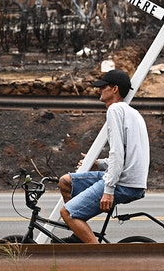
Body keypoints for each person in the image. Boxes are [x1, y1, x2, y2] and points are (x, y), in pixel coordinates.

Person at [57, 69, 150, 243]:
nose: (99, 90)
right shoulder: (133, 113)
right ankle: (79, 233)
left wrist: (108, 190)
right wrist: (98, 164)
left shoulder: (114, 110)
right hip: (130, 180)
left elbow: (117, 153)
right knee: (65, 182)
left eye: (103, 87)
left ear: (114, 89)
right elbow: (126, 156)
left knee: (67, 212)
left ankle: (100, 258)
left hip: (124, 183)